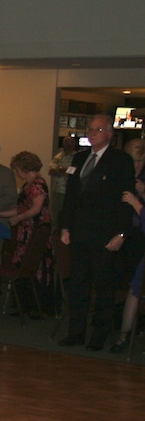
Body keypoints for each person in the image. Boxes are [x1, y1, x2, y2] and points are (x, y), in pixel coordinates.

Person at [59, 114, 135, 351]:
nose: (92, 134)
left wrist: (121, 234)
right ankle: (76, 332)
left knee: (104, 287)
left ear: (109, 135)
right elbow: (70, 197)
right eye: (90, 130)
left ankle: (99, 335)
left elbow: (125, 200)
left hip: (105, 234)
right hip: (80, 232)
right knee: (78, 285)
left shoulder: (120, 160)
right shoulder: (80, 158)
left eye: (97, 130)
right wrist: (65, 226)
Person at [109, 138, 145, 353]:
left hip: (138, 240)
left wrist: (137, 199)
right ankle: (122, 333)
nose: (136, 165)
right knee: (128, 287)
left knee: (135, 290)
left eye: (140, 161)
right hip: (125, 237)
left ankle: (126, 336)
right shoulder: (121, 173)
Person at [0, 151, 51, 267]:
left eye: (17, 170)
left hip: (34, 230)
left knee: (31, 264)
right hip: (26, 229)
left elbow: (36, 209)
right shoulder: (28, 184)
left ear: (24, 169)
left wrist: (18, 218)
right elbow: (21, 208)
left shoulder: (37, 184)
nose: (17, 173)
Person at [48, 136, 76, 230]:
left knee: (68, 213)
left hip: (70, 191)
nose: (68, 144)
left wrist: (61, 169)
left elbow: (75, 172)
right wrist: (66, 170)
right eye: (66, 142)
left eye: (70, 142)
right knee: (54, 213)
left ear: (74, 144)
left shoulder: (77, 157)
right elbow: (51, 170)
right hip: (56, 190)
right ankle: (54, 232)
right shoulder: (58, 156)